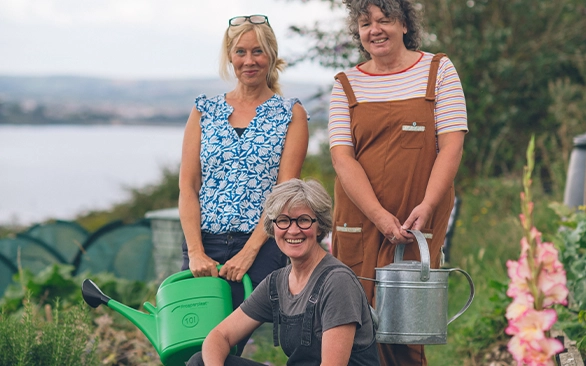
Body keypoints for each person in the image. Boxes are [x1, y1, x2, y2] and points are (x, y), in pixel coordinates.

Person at [329, 0, 468, 365]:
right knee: (352, 316)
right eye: (365, 23)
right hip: (359, 217)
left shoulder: (438, 70)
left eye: (384, 19)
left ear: (404, 24)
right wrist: (378, 216)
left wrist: (428, 205)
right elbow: (342, 158)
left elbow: (451, 146)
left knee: (406, 321)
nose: (374, 29)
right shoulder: (346, 84)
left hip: (417, 217)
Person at [178, 14, 309, 355]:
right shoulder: (204, 110)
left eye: (258, 52)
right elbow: (188, 188)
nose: (249, 61)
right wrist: (195, 251)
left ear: (271, 56)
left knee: (226, 344)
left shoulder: (289, 113)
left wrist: (249, 253)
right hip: (203, 245)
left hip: (261, 246)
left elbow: (284, 194)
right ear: (229, 56)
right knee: (190, 341)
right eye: (240, 52)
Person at [186, 179, 380, 366]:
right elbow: (220, 336)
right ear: (273, 227)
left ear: (320, 226)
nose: (293, 230)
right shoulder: (277, 283)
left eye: (303, 220)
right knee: (201, 361)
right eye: (283, 221)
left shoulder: (337, 282)